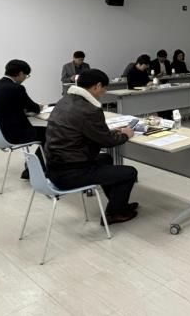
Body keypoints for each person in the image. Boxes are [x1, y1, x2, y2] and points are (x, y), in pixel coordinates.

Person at [45, 69, 138, 225]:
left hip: (55, 167)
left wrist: (109, 132)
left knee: (106, 158)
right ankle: (114, 214)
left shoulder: (65, 100)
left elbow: (85, 131)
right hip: (71, 173)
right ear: (97, 86)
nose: (104, 92)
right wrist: (126, 135)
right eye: (104, 88)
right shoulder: (89, 109)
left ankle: (117, 204)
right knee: (130, 172)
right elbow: (106, 141)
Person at [0, 59, 46, 179]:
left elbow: (5, 106)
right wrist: (39, 107)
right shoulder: (17, 88)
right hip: (13, 135)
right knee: (49, 133)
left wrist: (21, 111)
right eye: (26, 76)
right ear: (20, 73)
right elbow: (34, 108)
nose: (25, 79)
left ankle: (31, 167)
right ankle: (32, 170)